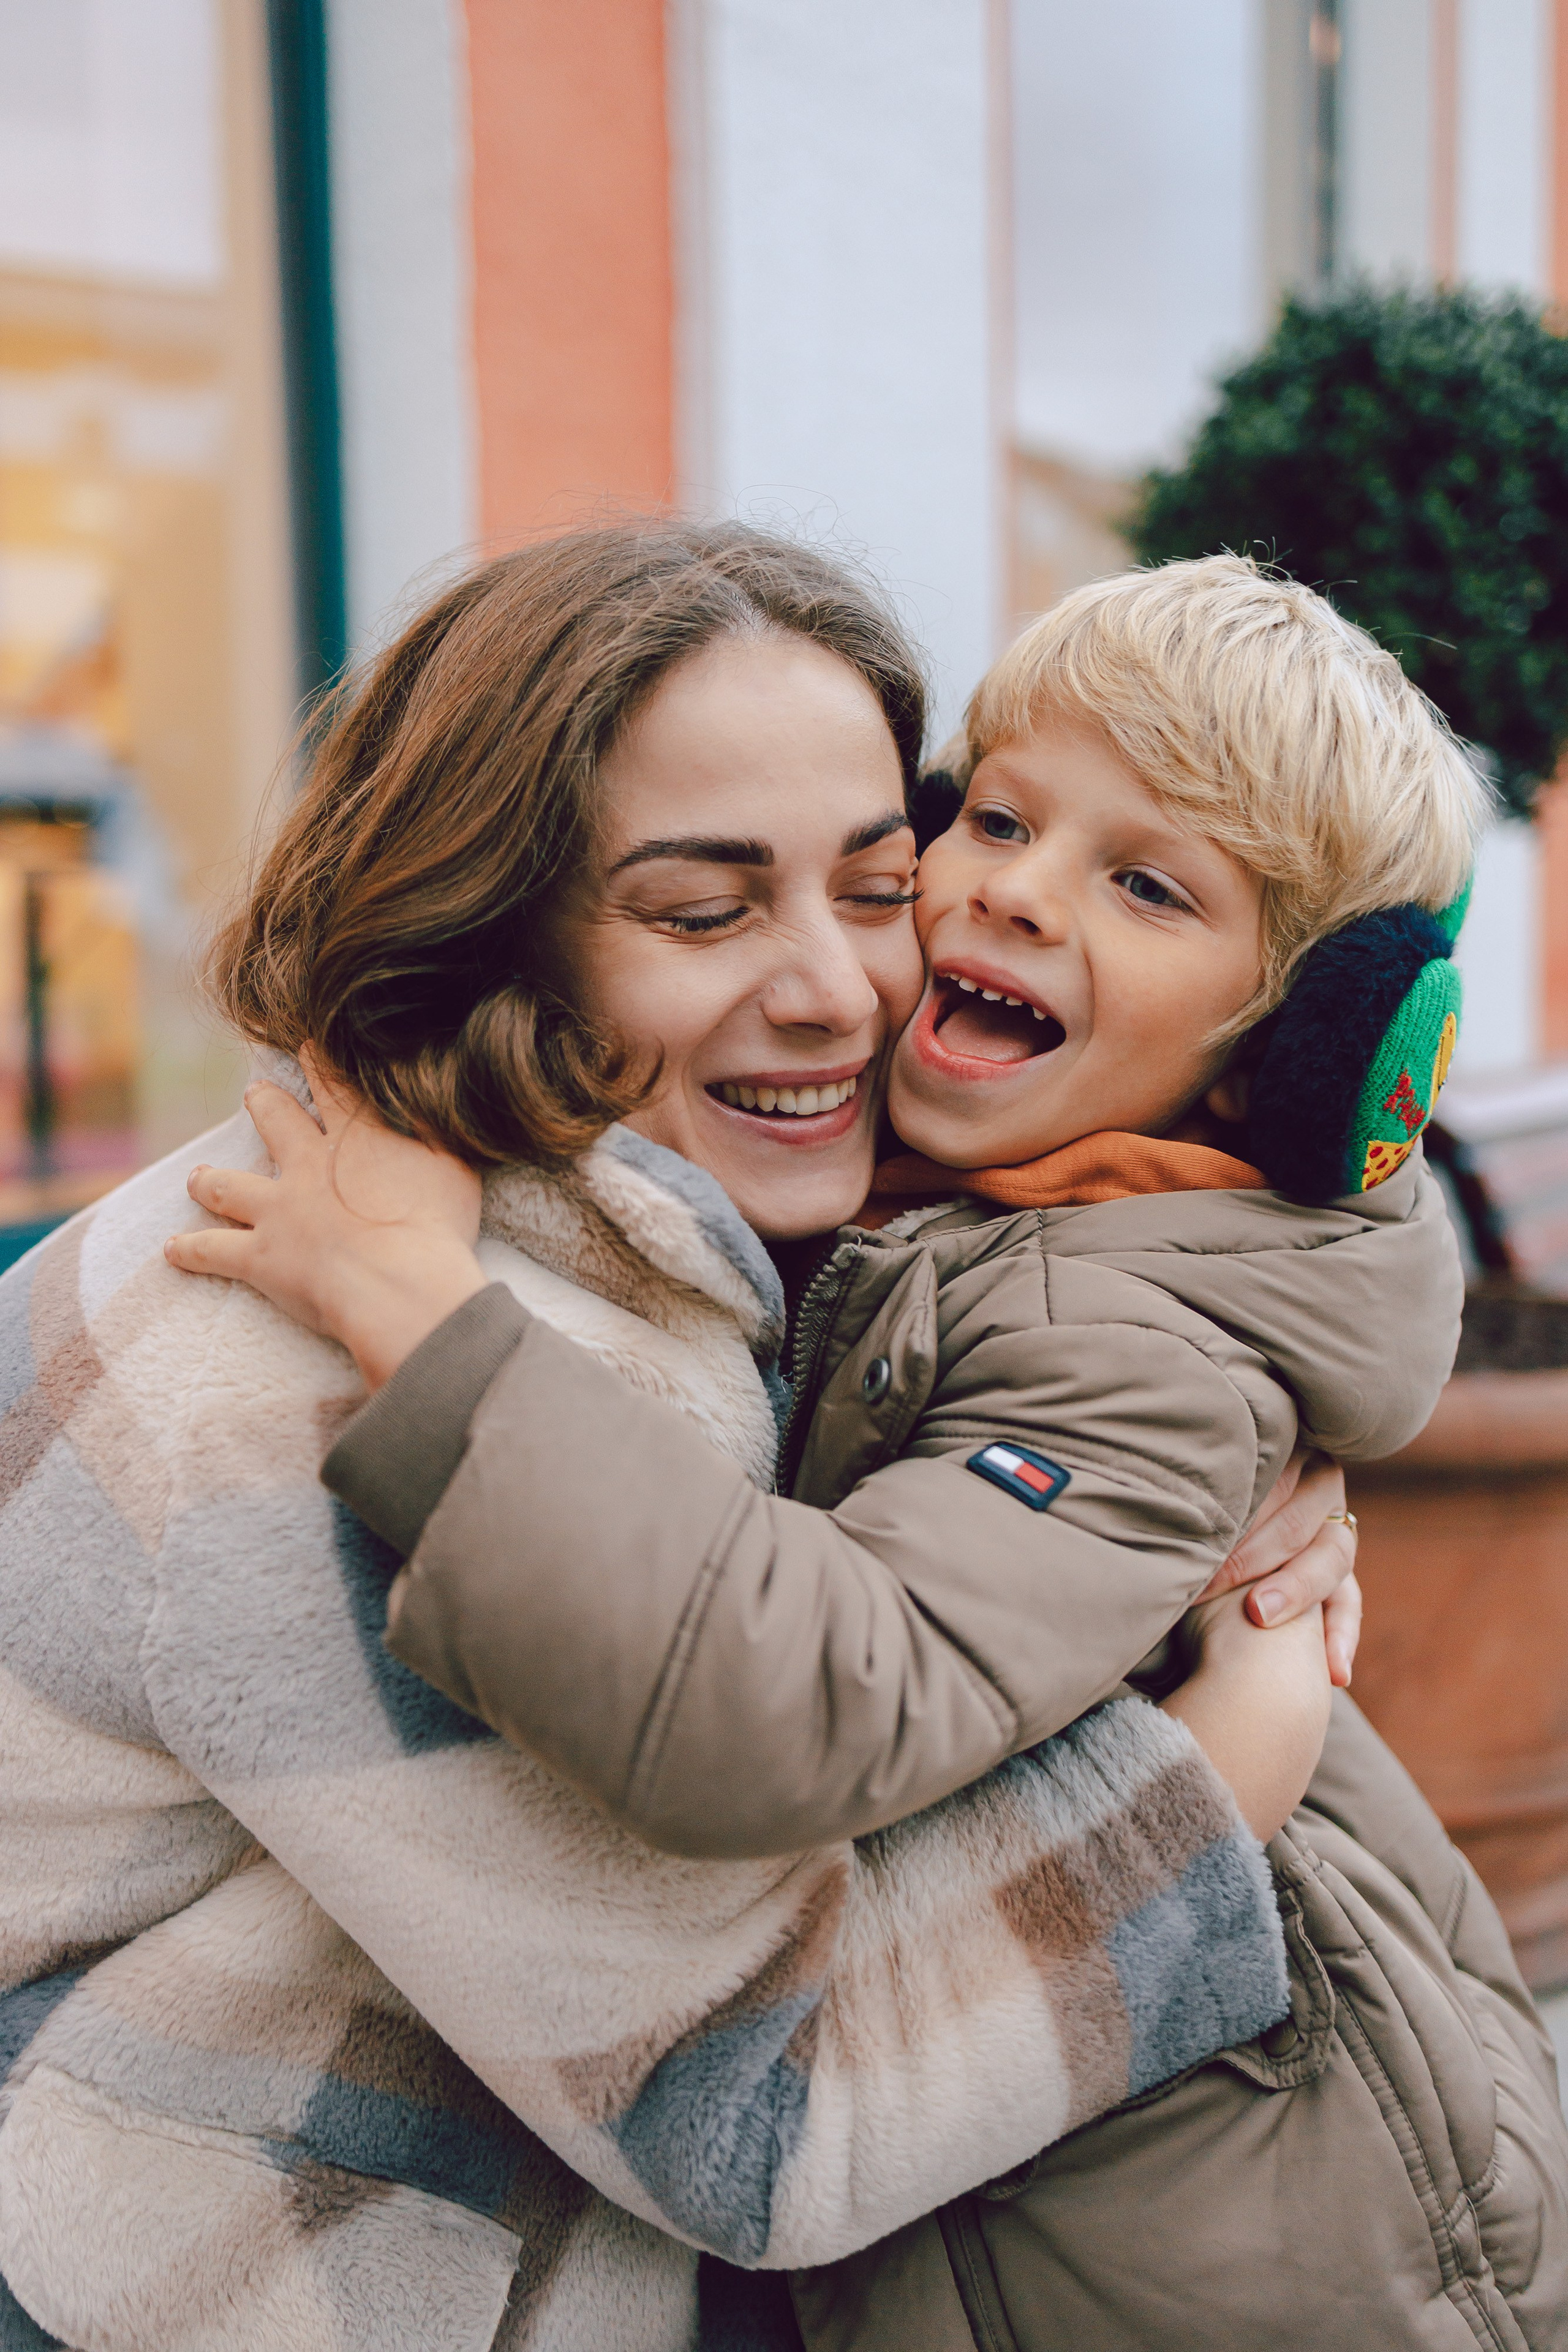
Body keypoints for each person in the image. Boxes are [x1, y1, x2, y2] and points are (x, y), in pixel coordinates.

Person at [178, 552, 1568, 2349]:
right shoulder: (965, 1211)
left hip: (1227, 2244)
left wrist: (429, 1324)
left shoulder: (1136, 1356)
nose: (1014, 895)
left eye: (1148, 885)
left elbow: (815, 1693)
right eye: (991, 820)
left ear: (1290, 1056)